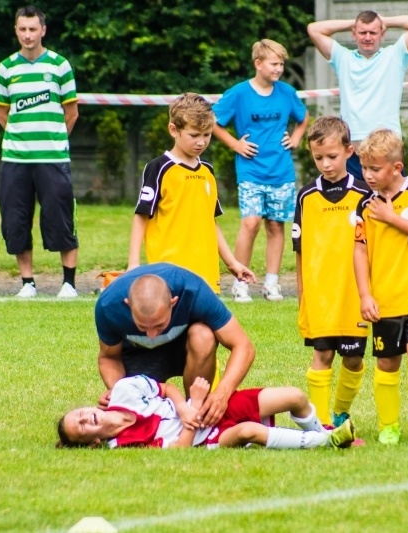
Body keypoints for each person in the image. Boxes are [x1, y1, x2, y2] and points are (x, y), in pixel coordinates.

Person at [353, 128, 408, 446]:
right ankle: (388, 426)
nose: (368, 175)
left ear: (396, 167)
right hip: (385, 297)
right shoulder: (365, 205)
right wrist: (365, 294)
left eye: (375, 168)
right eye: (364, 168)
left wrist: (391, 217)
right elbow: (360, 250)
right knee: (387, 361)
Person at [95, 263, 255, 428]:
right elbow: (109, 357)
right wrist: (121, 393)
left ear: (174, 302)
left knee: (203, 335)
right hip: (137, 353)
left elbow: (243, 346)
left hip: (183, 347)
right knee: (140, 420)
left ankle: (196, 411)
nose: (151, 335)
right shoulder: (109, 306)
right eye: (142, 327)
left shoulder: (194, 291)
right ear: (128, 305)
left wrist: (222, 394)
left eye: (159, 325)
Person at [0, 6, 80, 299]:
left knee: (60, 218)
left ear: (43, 30)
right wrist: (21, 139)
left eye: (33, 29)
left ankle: (68, 283)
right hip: (15, 159)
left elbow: (72, 113)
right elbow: (2, 114)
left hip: (53, 158)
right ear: (16, 31)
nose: (27, 35)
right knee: (16, 220)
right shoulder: (6, 68)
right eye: (22, 29)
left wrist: (52, 141)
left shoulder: (59, 65)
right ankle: (27, 283)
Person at [212, 39, 310, 303]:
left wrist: (297, 137)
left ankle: (271, 284)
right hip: (251, 171)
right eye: (274, 64)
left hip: (281, 172)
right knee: (251, 222)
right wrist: (235, 144)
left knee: (276, 226)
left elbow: (303, 118)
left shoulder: (287, 92)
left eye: (281, 64)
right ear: (258, 64)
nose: (279, 69)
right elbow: (213, 121)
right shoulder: (239, 93)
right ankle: (240, 283)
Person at [128, 92, 254, 294]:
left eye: (207, 135)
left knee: (205, 326)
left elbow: (211, 222)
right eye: (194, 135)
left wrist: (232, 263)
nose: (201, 142)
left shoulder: (207, 171)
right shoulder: (159, 168)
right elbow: (141, 216)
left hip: (206, 274)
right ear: (173, 130)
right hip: (168, 275)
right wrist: (133, 263)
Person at [293, 116, 369, 429]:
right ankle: (321, 424)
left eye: (332, 157)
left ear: (349, 151)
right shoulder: (305, 197)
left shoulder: (365, 196)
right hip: (320, 296)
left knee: (353, 359)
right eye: (318, 158)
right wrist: (302, 296)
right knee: (322, 356)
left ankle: (340, 412)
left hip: (353, 296)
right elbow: (299, 253)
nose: (325, 164)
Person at [57, 375, 356, 450]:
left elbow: (166, 388)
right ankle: (326, 442)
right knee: (247, 432)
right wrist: (193, 414)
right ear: (93, 442)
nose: (85, 418)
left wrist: (187, 405)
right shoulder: (123, 446)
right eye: (81, 427)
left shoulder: (123, 390)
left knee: (295, 396)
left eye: (79, 414)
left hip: (210, 409)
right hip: (207, 437)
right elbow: (181, 452)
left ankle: (322, 433)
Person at [307, 11, 408, 180]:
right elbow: (314, 29)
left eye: (373, 32)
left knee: (391, 202)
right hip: (352, 150)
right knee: (354, 205)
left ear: (382, 33)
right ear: (354, 34)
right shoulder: (343, 57)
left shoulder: (395, 55)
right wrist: (353, 23)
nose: (368, 37)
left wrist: (383, 20)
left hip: (387, 147)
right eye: (363, 32)